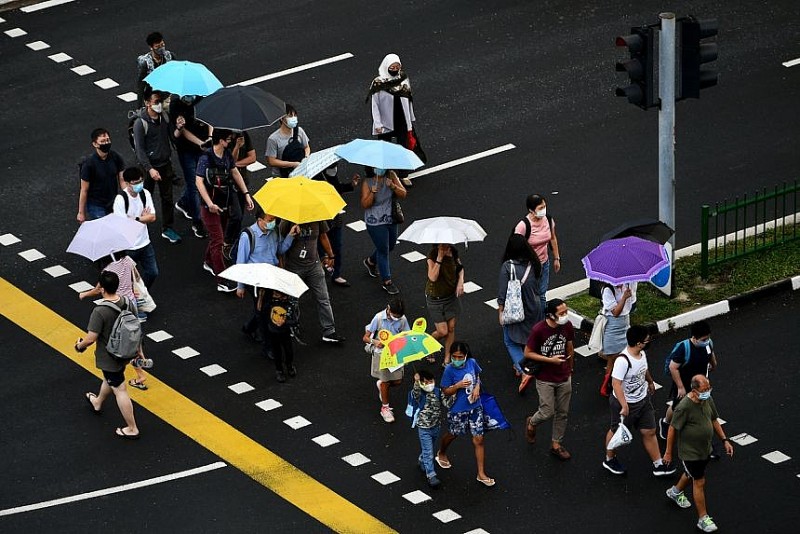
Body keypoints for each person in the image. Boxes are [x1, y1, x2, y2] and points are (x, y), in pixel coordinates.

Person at [75, 271, 142, 439]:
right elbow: (136, 326)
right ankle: (97, 402)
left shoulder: (100, 311)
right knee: (111, 378)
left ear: (101, 288)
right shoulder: (127, 302)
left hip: (110, 356)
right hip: (126, 351)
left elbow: (91, 338)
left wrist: (79, 346)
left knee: (120, 389)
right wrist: (139, 351)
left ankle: (132, 428)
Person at [663, 375, 734, 533]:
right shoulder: (684, 407)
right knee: (699, 481)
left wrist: (725, 440)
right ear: (694, 391)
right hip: (690, 453)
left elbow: (714, 419)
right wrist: (668, 452)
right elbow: (672, 428)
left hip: (705, 450)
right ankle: (703, 518)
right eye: (704, 390)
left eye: (708, 388)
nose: (707, 392)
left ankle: (675, 492)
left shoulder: (707, 399)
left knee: (691, 474)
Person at [603, 325, 676, 477]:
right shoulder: (623, 361)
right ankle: (609, 459)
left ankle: (658, 463)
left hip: (643, 400)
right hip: (626, 404)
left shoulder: (641, 354)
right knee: (616, 432)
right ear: (638, 343)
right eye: (646, 340)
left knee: (649, 431)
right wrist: (624, 405)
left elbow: (644, 369)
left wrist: (650, 381)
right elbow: (616, 384)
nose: (648, 342)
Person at [78, 252, 150, 389]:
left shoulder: (108, 270)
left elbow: (99, 289)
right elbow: (137, 277)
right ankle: (140, 367)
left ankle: (139, 373)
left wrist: (84, 294)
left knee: (121, 341)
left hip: (116, 306)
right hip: (131, 304)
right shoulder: (128, 260)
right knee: (132, 338)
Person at [195, 128, 254, 292]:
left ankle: (208, 261)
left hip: (223, 202)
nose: (230, 141)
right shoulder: (206, 158)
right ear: (220, 140)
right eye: (228, 139)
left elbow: (235, 173)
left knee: (216, 238)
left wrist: (246, 194)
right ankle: (222, 279)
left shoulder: (227, 155)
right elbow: (199, 182)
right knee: (218, 241)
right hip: (210, 207)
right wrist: (209, 203)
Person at [236, 205, 296, 359]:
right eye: (270, 220)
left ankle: (249, 328)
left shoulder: (274, 231)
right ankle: (267, 347)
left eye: (274, 220)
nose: (273, 223)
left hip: (272, 277)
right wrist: (240, 286)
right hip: (257, 281)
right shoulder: (248, 236)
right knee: (264, 313)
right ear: (260, 220)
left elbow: (280, 250)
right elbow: (240, 262)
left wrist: (290, 235)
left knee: (263, 308)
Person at [436, 342, 495, 487]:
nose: (457, 359)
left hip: (475, 407)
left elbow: (477, 375)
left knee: (479, 439)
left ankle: (481, 474)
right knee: (453, 433)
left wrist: (477, 387)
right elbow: (445, 391)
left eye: (460, 356)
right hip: (458, 410)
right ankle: (441, 452)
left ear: (466, 355)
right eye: (454, 356)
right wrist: (457, 386)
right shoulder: (449, 370)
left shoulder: (472, 362)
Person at [522, 299, 575, 460]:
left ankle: (556, 444)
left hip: (564, 376)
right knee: (546, 412)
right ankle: (532, 422)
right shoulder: (539, 330)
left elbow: (569, 346)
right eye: (561, 313)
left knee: (563, 412)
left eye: (566, 311)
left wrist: (570, 368)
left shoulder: (567, 326)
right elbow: (528, 353)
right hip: (545, 377)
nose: (565, 315)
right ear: (551, 315)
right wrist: (550, 361)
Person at [279, 219, 343, 343]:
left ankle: (329, 331)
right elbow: (280, 245)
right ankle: (293, 325)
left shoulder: (317, 218)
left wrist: (331, 255)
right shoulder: (286, 221)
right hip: (294, 267)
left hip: (314, 265)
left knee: (323, 298)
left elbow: (323, 236)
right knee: (293, 300)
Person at [132, 88, 182, 244]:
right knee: (143, 198)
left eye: (160, 101)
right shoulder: (140, 124)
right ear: (147, 103)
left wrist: (179, 128)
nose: (159, 105)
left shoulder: (164, 118)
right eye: (156, 102)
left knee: (167, 197)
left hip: (165, 164)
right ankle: (138, 227)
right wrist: (150, 169)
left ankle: (168, 228)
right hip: (148, 168)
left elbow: (172, 137)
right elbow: (140, 151)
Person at [659, 321, 717, 440]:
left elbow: (711, 354)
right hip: (684, 383)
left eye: (708, 338)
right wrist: (680, 387)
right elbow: (673, 367)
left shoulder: (708, 343)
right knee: (677, 407)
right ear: (694, 338)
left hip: (699, 383)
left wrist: (713, 364)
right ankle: (665, 422)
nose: (706, 341)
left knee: (702, 406)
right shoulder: (683, 348)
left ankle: (704, 439)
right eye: (704, 339)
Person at [366, 53, 417, 187]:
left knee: (403, 148)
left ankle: (403, 175)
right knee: (385, 148)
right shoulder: (378, 82)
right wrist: (377, 123)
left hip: (401, 119)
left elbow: (408, 98)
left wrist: (410, 118)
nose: (394, 69)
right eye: (392, 67)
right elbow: (375, 104)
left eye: (397, 67)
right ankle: (385, 174)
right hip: (385, 121)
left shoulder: (403, 79)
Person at [497, 233, 543, 383]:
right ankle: (522, 366)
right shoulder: (535, 263)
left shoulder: (508, 266)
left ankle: (523, 369)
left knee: (510, 340)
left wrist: (501, 312)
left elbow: (503, 293)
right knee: (528, 338)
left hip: (516, 309)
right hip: (534, 307)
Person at [363, 298, 410, 422]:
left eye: (398, 317)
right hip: (381, 354)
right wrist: (375, 342)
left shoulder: (402, 319)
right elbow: (365, 338)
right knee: (385, 381)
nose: (397, 319)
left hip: (395, 354)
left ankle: (382, 386)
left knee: (398, 381)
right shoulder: (378, 318)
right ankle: (385, 408)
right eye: (395, 316)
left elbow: (406, 335)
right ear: (388, 309)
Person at [360, 168, 406, 295]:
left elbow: (403, 193)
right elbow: (365, 204)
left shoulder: (391, 175)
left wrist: (393, 186)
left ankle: (371, 261)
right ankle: (387, 281)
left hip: (390, 218)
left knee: (390, 246)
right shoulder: (368, 182)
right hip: (375, 222)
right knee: (383, 250)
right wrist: (372, 193)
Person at [113, 167, 159, 290]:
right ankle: (134, 299)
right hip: (128, 247)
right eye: (135, 183)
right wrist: (144, 218)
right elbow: (123, 226)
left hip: (145, 243)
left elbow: (153, 217)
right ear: (127, 183)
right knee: (127, 279)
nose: (139, 185)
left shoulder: (145, 194)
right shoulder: (121, 199)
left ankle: (140, 294)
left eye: (140, 181)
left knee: (152, 272)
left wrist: (136, 219)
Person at [514, 194, 561, 311]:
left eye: (544, 206)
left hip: (544, 263)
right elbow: (515, 248)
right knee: (529, 296)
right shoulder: (523, 226)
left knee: (542, 294)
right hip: (528, 267)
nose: (543, 210)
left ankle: (540, 321)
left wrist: (556, 258)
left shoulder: (548, 220)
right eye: (540, 208)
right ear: (531, 210)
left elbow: (552, 238)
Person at [171, 94, 209, 239]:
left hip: (202, 146)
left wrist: (209, 138)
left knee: (199, 181)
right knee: (195, 186)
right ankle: (197, 221)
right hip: (187, 150)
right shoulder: (176, 105)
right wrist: (201, 143)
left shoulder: (201, 99)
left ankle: (183, 202)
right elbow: (183, 131)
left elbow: (209, 119)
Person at [315, 163, 359, 287]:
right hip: (322, 218)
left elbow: (337, 188)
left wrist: (351, 185)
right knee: (320, 246)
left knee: (337, 246)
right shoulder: (316, 179)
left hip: (335, 216)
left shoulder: (331, 178)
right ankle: (321, 271)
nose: (334, 170)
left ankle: (336, 273)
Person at [425, 244, 464, 366]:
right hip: (435, 298)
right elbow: (432, 277)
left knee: (451, 328)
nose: (445, 245)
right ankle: (428, 345)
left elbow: (460, 268)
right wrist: (440, 258)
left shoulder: (453, 252)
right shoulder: (432, 254)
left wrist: (460, 281)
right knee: (443, 331)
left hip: (450, 297)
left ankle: (447, 358)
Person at [77, 128, 125, 223]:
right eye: (102, 141)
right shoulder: (89, 164)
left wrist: (128, 196)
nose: (106, 143)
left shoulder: (115, 157)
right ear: (95, 144)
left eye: (108, 140)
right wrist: (81, 212)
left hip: (113, 202)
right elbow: (84, 189)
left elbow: (122, 179)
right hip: (96, 205)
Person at [410, 369, 445, 488]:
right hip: (424, 428)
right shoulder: (420, 394)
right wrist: (416, 382)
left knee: (429, 449)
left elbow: (446, 402)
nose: (428, 384)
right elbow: (415, 393)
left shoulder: (438, 391)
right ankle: (431, 475)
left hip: (436, 426)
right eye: (425, 382)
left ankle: (422, 459)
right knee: (429, 452)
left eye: (430, 381)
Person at [264, 290, 300, 383]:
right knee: (277, 352)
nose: (274, 296)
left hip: (285, 332)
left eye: (277, 295)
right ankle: (279, 370)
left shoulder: (289, 306)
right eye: (274, 294)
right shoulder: (270, 304)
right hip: (273, 332)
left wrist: (285, 322)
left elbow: (295, 321)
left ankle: (289, 366)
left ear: (284, 296)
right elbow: (262, 312)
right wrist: (260, 297)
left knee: (289, 351)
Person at [265, 105, 310, 177]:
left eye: (294, 115)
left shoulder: (299, 131)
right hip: (281, 176)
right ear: (281, 119)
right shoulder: (273, 139)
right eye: (290, 116)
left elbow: (306, 147)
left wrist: (306, 157)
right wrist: (292, 164)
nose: (293, 118)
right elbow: (271, 161)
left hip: (300, 172)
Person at [600, 282, 638, 365]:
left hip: (625, 323)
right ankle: (609, 377)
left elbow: (631, 304)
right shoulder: (607, 290)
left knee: (628, 354)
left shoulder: (627, 285)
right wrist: (624, 297)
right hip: (613, 326)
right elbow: (616, 313)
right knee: (612, 358)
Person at [135, 31, 174, 105]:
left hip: (167, 96)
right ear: (151, 47)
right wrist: (139, 105)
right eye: (158, 47)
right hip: (152, 97)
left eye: (162, 45)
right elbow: (141, 84)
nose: (161, 48)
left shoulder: (170, 57)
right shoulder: (146, 63)